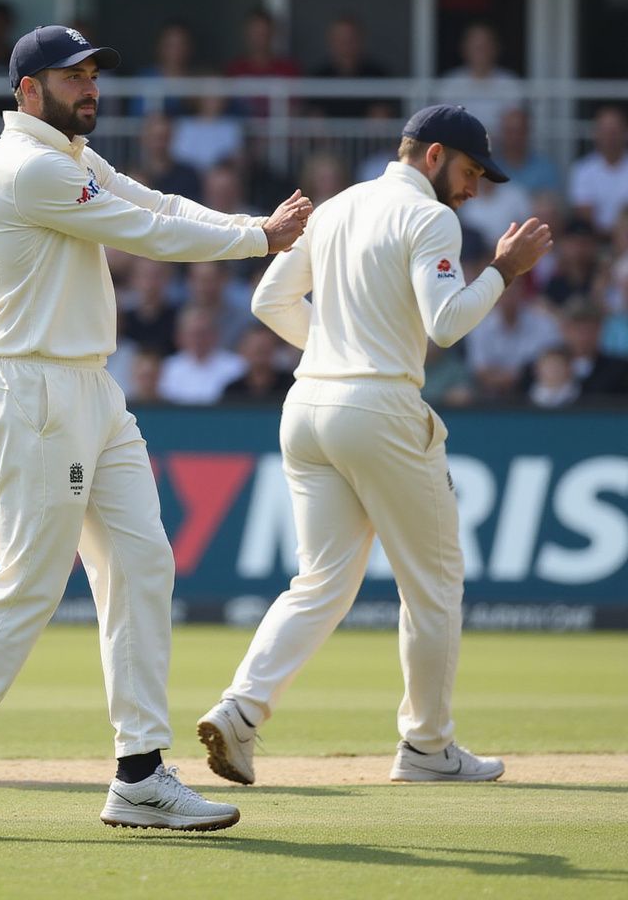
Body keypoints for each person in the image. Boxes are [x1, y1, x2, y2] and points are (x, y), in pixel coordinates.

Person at [0, 24, 312, 837]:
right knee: (34, 574)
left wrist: (251, 220)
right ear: (26, 91)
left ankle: (141, 773)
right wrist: (257, 239)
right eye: (71, 76)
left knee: (143, 562)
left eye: (93, 75)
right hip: (34, 385)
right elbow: (146, 233)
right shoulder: (26, 167)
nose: (89, 88)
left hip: (88, 385)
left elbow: (158, 203)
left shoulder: (75, 159)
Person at [197, 104, 552, 786]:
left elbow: (268, 303)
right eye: (471, 170)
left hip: (306, 405)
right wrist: (504, 270)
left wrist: (336, 350)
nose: (474, 188)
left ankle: (240, 711)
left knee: (321, 581)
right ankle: (426, 747)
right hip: (379, 407)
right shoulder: (430, 216)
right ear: (432, 156)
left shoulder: (334, 207)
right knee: (435, 583)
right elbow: (446, 324)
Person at [437, 22, 522, 136]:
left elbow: (515, 124)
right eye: (476, 47)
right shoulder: (450, 82)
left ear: (496, 48)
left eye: (485, 46)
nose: (481, 51)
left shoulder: (510, 81)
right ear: (464, 49)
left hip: (500, 150)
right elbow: (444, 121)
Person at [158, 304, 247, 405]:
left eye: (204, 333)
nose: (198, 339)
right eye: (193, 334)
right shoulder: (168, 368)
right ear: (181, 336)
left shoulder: (236, 366)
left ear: (215, 334)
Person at [567, 106, 628, 234]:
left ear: (625, 133)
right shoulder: (583, 170)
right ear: (596, 133)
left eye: (614, 131)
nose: (610, 137)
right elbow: (584, 215)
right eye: (605, 131)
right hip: (594, 242)